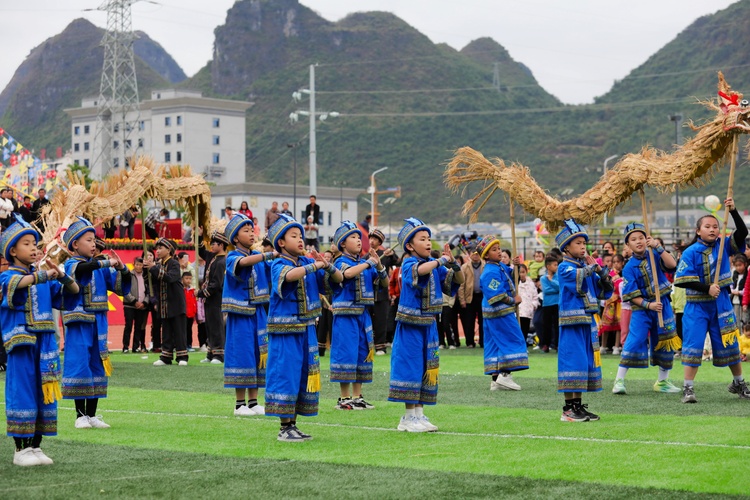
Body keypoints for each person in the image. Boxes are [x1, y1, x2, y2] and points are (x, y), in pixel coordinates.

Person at [2, 215, 79, 466]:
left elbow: (73, 292)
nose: (34, 248)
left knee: (44, 392)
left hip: (45, 343)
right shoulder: (8, 276)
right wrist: (44, 276)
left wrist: (62, 274)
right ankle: (20, 450)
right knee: (22, 391)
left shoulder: (42, 275)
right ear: (12, 251)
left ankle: (36, 446)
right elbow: (18, 285)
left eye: (35, 244)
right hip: (22, 342)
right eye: (26, 244)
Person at [266, 214, 343, 441]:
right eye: (294, 236)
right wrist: (316, 265)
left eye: (301, 235)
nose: (300, 240)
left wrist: (327, 266)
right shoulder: (278, 263)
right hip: (286, 330)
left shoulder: (308, 262)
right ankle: (284, 427)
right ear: (281, 242)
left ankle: (293, 424)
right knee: (285, 374)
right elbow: (289, 276)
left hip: (306, 328)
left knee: (302, 375)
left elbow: (337, 279)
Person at [388, 218, 463, 432]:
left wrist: (454, 264)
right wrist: (441, 261)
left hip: (429, 323)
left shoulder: (434, 264)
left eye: (429, 238)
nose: (428, 242)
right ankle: (408, 416)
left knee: (427, 367)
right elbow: (420, 272)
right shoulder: (410, 262)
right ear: (410, 246)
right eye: (423, 239)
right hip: (410, 324)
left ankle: (419, 414)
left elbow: (458, 281)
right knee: (411, 366)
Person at [673, 198, 750, 403]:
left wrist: (733, 212)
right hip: (696, 307)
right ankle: (688, 389)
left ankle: (739, 383)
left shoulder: (724, 245)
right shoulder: (690, 253)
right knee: (694, 346)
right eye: (707, 226)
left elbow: (742, 233)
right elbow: (681, 280)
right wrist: (707, 288)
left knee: (730, 344)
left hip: (722, 304)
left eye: (715, 226)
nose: (713, 229)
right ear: (698, 231)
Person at [61, 217, 130, 429]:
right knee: (79, 363)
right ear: (75, 244)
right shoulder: (72, 264)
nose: (93, 244)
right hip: (80, 320)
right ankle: (79, 415)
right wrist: (108, 262)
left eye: (94, 240)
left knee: (97, 364)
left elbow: (118, 287)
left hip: (99, 320)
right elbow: (82, 271)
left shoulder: (99, 266)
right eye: (89, 240)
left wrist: (123, 269)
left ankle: (91, 414)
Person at [612, 223, 681, 395]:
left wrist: (658, 247)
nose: (639, 241)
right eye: (633, 239)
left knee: (666, 340)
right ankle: (619, 380)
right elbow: (631, 295)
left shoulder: (655, 254)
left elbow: (672, 264)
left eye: (641, 237)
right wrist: (648, 305)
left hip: (663, 305)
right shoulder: (628, 268)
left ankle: (662, 381)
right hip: (642, 310)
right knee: (635, 340)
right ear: (628, 245)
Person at [555, 219, 613, 422]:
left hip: (587, 322)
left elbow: (603, 290)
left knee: (583, 364)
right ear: (567, 248)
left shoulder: (583, 267)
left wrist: (601, 273)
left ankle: (577, 407)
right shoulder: (565, 268)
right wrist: (593, 267)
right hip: (572, 323)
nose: (583, 247)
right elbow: (578, 278)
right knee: (572, 362)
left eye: (584, 243)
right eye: (578, 243)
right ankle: (568, 410)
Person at [329, 221, 388, 410]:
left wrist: (378, 266)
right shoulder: (340, 261)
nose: (358, 240)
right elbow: (346, 274)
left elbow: (385, 283)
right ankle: (343, 398)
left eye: (358, 237)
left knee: (363, 353)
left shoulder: (364, 263)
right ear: (343, 244)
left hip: (363, 314)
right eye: (353, 237)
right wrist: (368, 262)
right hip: (346, 315)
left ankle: (357, 396)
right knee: (346, 353)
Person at [222, 216, 274, 417]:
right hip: (240, 314)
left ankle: (253, 402)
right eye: (246, 230)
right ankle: (239, 404)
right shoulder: (232, 257)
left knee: (259, 354)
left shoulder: (259, 257)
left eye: (252, 230)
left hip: (259, 312)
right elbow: (243, 263)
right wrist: (266, 255)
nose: (252, 234)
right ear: (235, 238)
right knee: (242, 354)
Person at [476, 234, 528, 391]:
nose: (499, 252)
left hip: (495, 313)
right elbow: (496, 295)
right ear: (486, 255)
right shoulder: (489, 272)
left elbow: (513, 276)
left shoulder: (499, 267)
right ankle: (505, 375)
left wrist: (516, 266)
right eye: (494, 249)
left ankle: (495, 379)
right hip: (499, 312)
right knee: (511, 339)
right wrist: (514, 301)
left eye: (499, 248)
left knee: (495, 343)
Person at [145, 238, 188, 366]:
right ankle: (166, 357)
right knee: (167, 331)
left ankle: (182, 357)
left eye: (160, 248)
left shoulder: (174, 263)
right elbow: (151, 281)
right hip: (164, 303)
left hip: (176, 302)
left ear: (168, 250)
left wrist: (154, 268)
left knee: (179, 331)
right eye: (157, 248)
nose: (157, 251)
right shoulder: (158, 265)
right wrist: (147, 269)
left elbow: (170, 278)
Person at [197, 231, 228, 364]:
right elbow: (201, 251)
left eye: (214, 244)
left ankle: (219, 355)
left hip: (216, 298)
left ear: (221, 245)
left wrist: (200, 293)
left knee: (216, 326)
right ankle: (211, 353)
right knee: (209, 325)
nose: (211, 246)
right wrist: (199, 236)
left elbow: (216, 284)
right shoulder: (212, 257)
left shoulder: (222, 261)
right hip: (209, 299)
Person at [369, 229, 397, 354]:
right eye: (370, 238)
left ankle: (380, 346)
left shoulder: (385, 255)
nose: (372, 241)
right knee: (367, 321)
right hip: (367, 295)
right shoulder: (364, 257)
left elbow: (398, 262)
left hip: (381, 294)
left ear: (379, 242)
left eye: (375, 239)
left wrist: (392, 254)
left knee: (381, 321)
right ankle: (368, 346)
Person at [122, 257, 149, 353]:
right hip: (129, 305)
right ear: (134, 265)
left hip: (141, 306)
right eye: (137, 264)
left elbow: (149, 292)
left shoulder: (146, 276)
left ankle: (135, 347)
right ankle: (125, 347)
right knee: (128, 326)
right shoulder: (129, 275)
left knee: (138, 327)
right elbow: (125, 290)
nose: (138, 266)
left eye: (140, 265)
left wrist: (144, 302)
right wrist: (134, 301)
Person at [458, 247, 484, 348]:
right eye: (473, 253)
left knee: (483, 320)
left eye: (477, 253)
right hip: (469, 297)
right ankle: (470, 342)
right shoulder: (464, 267)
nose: (475, 255)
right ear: (469, 254)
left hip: (482, 296)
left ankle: (483, 341)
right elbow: (461, 284)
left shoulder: (485, 266)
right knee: (469, 321)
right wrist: (462, 299)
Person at [539, 255, 560, 352]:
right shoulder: (543, 278)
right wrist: (555, 287)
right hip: (547, 304)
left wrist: (551, 281)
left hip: (557, 303)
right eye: (555, 265)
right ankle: (545, 345)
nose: (557, 267)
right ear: (548, 266)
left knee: (557, 325)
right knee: (546, 325)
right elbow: (546, 290)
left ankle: (557, 345)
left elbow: (560, 287)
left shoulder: (558, 276)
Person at [183, 272, 197, 350]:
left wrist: (194, 312)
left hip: (191, 314)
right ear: (182, 279)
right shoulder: (181, 290)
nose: (188, 280)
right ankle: (183, 345)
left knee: (189, 330)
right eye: (186, 278)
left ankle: (189, 345)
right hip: (184, 313)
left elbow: (194, 302)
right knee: (183, 330)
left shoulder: (192, 290)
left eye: (190, 279)